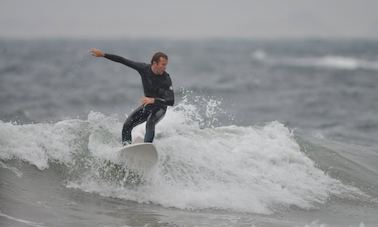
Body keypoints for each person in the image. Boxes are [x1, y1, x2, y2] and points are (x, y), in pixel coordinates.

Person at [90, 48, 174, 145]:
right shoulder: (143, 68)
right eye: (163, 64)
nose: (165, 67)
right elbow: (124, 61)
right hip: (148, 106)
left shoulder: (166, 79)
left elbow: (170, 101)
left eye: (166, 65)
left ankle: (146, 148)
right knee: (127, 125)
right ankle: (126, 149)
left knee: (150, 122)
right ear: (154, 63)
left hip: (160, 108)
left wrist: (153, 100)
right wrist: (104, 55)